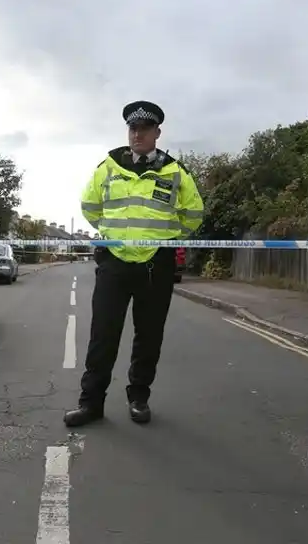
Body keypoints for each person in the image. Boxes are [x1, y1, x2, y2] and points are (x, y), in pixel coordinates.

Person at [64, 100, 204, 427]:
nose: (137, 134)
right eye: (132, 128)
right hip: (114, 263)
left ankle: (138, 398)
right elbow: (90, 207)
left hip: (157, 265)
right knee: (103, 335)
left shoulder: (174, 171)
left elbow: (193, 214)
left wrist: (165, 238)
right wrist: (111, 233)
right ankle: (91, 403)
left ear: (157, 132)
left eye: (144, 129)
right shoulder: (108, 167)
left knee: (149, 336)